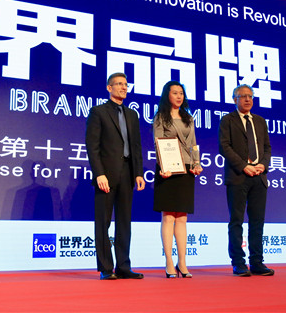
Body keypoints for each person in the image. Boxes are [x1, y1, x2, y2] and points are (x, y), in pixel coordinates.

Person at [85, 72, 146, 280]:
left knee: (124, 221)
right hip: (106, 174)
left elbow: (136, 146)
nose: (123, 87)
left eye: (126, 84)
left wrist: (138, 173)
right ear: (109, 88)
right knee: (103, 221)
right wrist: (99, 173)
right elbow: (92, 146)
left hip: (128, 172)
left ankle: (123, 266)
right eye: (119, 84)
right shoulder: (98, 112)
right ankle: (105, 268)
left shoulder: (132, 114)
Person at [218, 84, 274, 277]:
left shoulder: (259, 121)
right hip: (238, 176)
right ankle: (238, 263)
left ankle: (257, 262)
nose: (248, 99)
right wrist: (244, 166)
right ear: (235, 99)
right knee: (237, 221)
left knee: (257, 221)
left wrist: (263, 165)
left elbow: (267, 147)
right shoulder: (228, 120)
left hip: (259, 177)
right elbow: (224, 147)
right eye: (243, 96)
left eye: (250, 96)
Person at [153, 81, 202, 278]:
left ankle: (182, 262)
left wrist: (197, 163)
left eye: (181, 93)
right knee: (168, 216)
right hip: (168, 169)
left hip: (187, 169)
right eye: (175, 93)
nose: (179, 96)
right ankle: (169, 262)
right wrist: (163, 166)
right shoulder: (160, 117)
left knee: (182, 217)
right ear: (168, 95)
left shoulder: (189, 118)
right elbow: (158, 143)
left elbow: (193, 144)